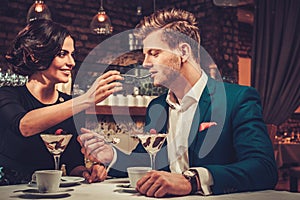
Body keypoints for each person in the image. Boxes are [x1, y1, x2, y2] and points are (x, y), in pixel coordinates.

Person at [77, 8, 278, 197]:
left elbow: (263, 168)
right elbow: (147, 162)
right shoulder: (156, 107)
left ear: (183, 51)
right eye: (145, 55)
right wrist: (111, 156)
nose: (145, 63)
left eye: (154, 53)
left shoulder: (238, 99)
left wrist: (193, 180)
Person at [0, 19, 123, 185]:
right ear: (34, 56)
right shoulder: (8, 95)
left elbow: (73, 164)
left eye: (72, 54)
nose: (71, 62)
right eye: (62, 54)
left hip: (52, 192)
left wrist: (88, 172)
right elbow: (24, 126)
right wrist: (86, 99)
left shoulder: (70, 104)